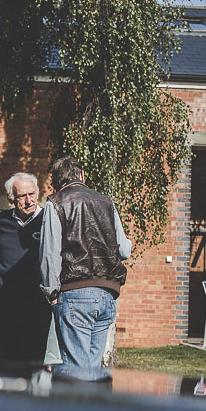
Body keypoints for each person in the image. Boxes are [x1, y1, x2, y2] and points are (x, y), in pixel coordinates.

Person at [39, 156, 131, 382]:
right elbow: (124, 250)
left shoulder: (55, 202)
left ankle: (76, 405)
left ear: (56, 181)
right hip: (107, 293)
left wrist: (51, 292)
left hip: (75, 292)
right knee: (92, 371)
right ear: (82, 176)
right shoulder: (106, 202)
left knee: (75, 373)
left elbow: (49, 253)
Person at [0, 172, 52, 367]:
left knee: (32, 359)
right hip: (3, 297)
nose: (29, 200)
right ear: (11, 199)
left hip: (35, 299)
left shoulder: (48, 220)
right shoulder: (2, 220)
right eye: (22, 196)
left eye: (32, 194)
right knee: (1, 358)